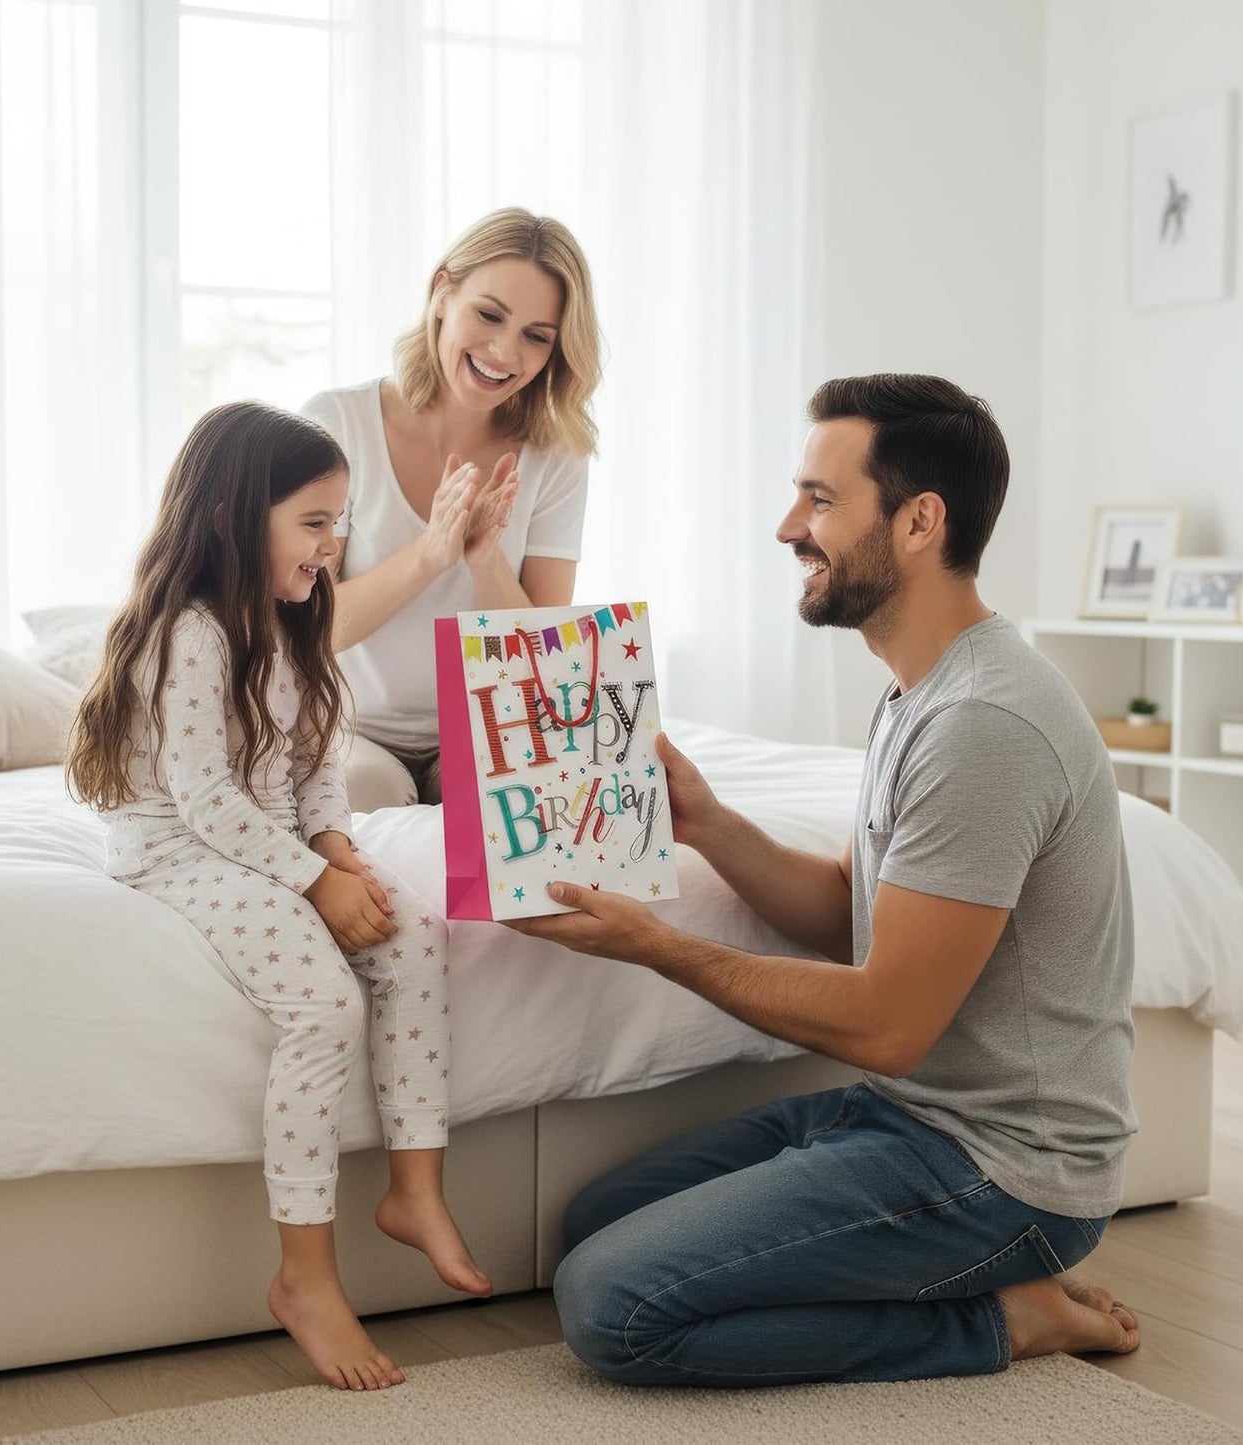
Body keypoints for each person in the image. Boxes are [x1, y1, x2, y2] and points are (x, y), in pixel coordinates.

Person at [510, 374, 1143, 1387]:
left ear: (917, 521)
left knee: (612, 1306)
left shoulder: (985, 723)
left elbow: (888, 1021)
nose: (783, 527)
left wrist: (654, 943)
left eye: (817, 499)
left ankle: (1005, 1317)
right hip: (902, 1116)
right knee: (590, 1226)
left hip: (1004, 1171)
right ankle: (918, 1272)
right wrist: (708, 822)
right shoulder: (916, 690)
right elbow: (847, 917)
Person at [67, 401, 490, 1393]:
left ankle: (414, 1189)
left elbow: (314, 767)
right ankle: (304, 1274)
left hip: (269, 837)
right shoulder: (189, 634)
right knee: (325, 1001)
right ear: (230, 513)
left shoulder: (294, 621)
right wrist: (312, 881)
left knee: (415, 931)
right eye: (313, 522)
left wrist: (337, 848)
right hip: (177, 843)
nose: (332, 544)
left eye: (340, 521)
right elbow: (204, 795)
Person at [300, 207, 602, 809]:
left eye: (536, 336)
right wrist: (430, 554)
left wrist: (485, 559)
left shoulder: (556, 455)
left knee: (500, 807)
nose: (503, 351)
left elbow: (544, 660)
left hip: (494, 728)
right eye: (489, 315)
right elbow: (310, 629)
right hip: (352, 730)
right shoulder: (337, 425)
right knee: (367, 793)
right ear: (442, 292)